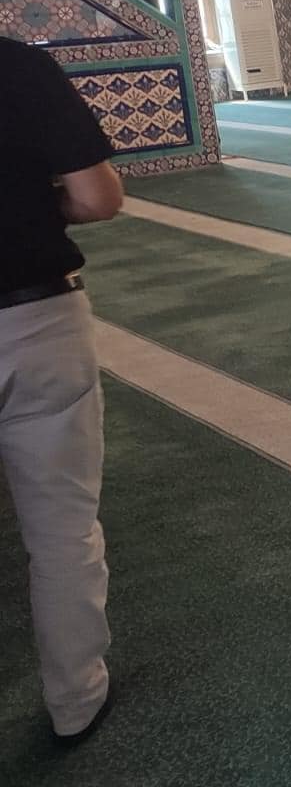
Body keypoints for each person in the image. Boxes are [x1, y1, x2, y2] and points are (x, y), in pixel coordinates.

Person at [1, 36, 124, 746]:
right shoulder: (18, 66)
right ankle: (76, 699)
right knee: (61, 530)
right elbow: (97, 197)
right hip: (33, 323)